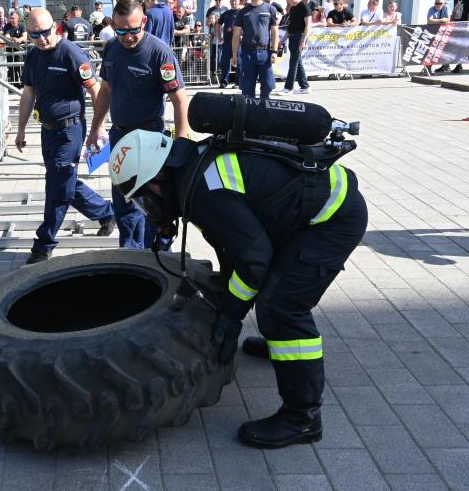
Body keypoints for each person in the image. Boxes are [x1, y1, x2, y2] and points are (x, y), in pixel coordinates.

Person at [107, 124, 367, 449]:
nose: (149, 208)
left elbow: (254, 261)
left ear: (158, 178)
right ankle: (279, 346)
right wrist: (230, 309)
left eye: (145, 197)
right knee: (267, 294)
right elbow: (234, 250)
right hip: (303, 214)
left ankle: (303, 418)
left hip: (333, 219)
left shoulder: (204, 190)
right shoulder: (194, 170)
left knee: (280, 307)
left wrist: (231, 316)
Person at [87, 0, 189, 249]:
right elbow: (106, 91)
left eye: (134, 29)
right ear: (112, 24)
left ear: (144, 21)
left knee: (150, 203)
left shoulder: (158, 51)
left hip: (149, 139)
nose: (129, 36)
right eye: (122, 30)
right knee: (123, 201)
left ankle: (149, 253)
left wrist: (182, 137)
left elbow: (179, 98)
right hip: (120, 136)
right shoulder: (111, 48)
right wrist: (95, 127)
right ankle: (130, 253)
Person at [16, 8, 116, 264]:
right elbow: (28, 94)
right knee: (65, 181)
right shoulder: (33, 56)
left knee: (57, 189)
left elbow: (95, 89)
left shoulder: (71, 53)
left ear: (56, 28)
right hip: (47, 130)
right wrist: (20, 129)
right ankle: (106, 213)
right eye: (35, 34)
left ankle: (43, 245)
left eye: (45, 32)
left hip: (70, 130)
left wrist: (98, 127)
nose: (41, 38)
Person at [232, 0, 279, 98]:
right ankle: (250, 113)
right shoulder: (242, 12)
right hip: (247, 53)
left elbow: (274, 32)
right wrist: (234, 55)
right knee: (247, 89)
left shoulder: (270, 9)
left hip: (265, 53)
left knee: (268, 85)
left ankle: (264, 110)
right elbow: (236, 35)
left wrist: (274, 51)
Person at [275, 0, 311, 96]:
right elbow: (290, 27)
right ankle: (305, 86)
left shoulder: (304, 6)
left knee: (293, 63)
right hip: (292, 37)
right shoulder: (293, 8)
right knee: (298, 62)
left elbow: (308, 25)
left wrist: (303, 40)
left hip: (300, 37)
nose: (287, 2)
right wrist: (282, 40)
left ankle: (288, 88)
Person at [436, 0, 468, 73]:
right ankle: (445, 65)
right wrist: (451, 22)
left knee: (462, 46)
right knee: (449, 45)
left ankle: (459, 65)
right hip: (456, 24)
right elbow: (454, 11)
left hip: (464, 25)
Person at [216, 0, 240, 88]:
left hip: (238, 42)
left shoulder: (242, 13)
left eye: (235, 1)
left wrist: (243, 35)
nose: (234, 3)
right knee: (224, 62)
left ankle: (238, 82)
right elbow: (218, 25)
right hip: (227, 41)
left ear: (238, 2)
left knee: (239, 62)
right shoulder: (226, 13)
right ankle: (224, 81)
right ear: (230, 2)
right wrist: (219, 37)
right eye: (232, 1)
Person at [206, 0, 226, 80]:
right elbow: (207, 23)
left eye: (219, 0)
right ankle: (213, 74)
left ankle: (223, 74)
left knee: (223, 56)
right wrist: (212, 22)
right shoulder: (211, 10)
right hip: (214, 37)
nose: (218, 1)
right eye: (216, 0)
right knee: (214, 56)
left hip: (224, 36)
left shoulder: (226, 9)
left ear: (222, 0)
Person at [3, 11, 27, 85]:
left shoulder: (22, 25)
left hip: (20, 49)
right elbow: (6, 36)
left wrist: (19, 40)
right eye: (11, 18)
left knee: (21, 67)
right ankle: (15, 85)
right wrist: (13, 39)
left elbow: (25, 36)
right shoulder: (7, 26)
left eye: (13, 18)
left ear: (18, 18)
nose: (11, 20)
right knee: (12, 68)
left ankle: (23, 83)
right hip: (10, 51)